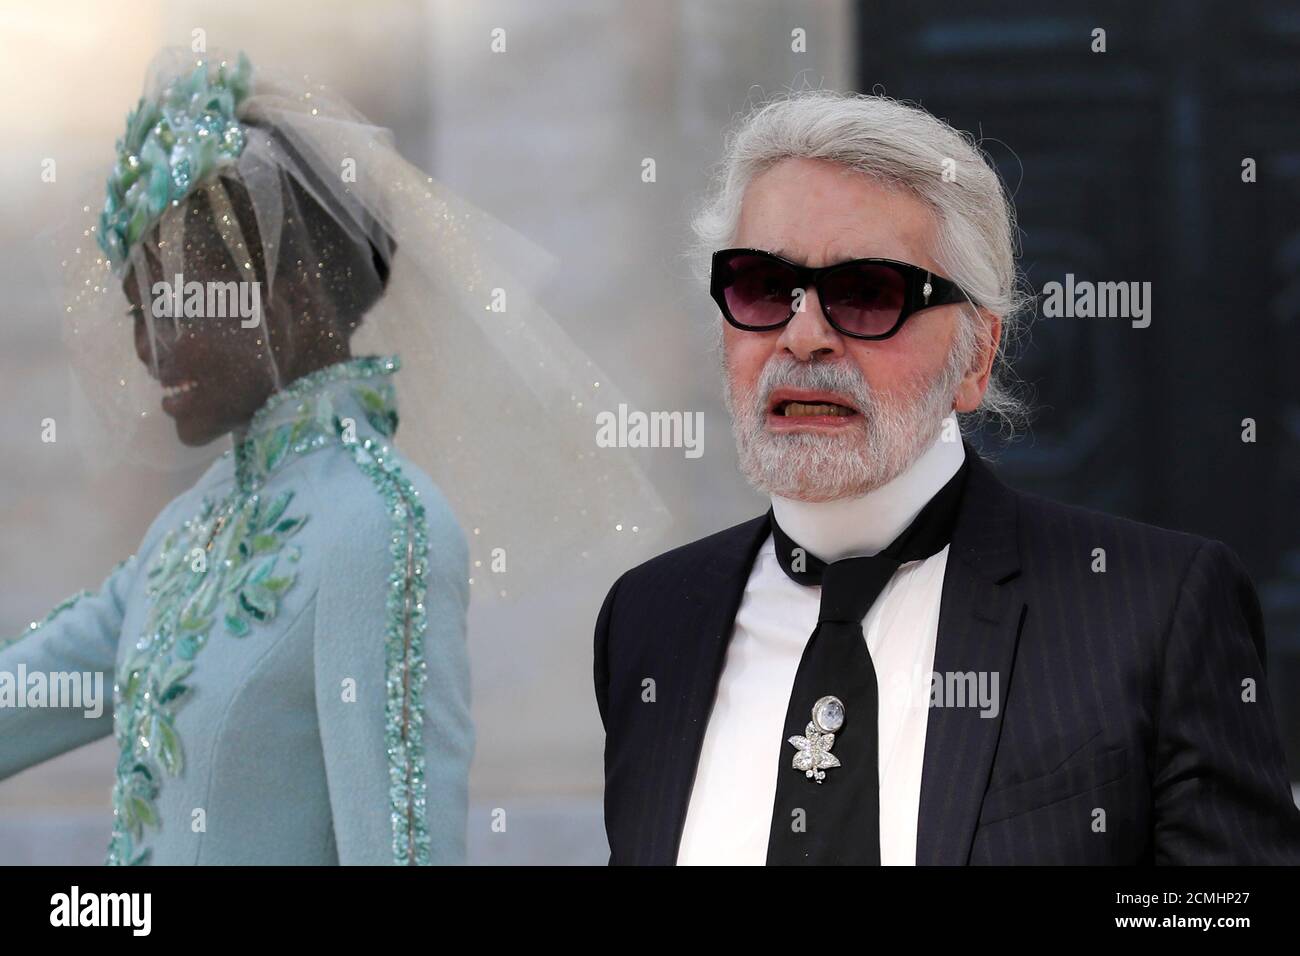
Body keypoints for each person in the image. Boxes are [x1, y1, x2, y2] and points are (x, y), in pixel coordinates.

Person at [594, 90, 1300, 865]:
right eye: (763, 286)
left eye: (867, 295)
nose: (803, 338)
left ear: (976, 357)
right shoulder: (651, 620)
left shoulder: (1155, 609)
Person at [1, 48, 663, 865]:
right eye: (137, 311)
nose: (145, 348)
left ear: (283, 297)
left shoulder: (377, 527)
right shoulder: (185, 535)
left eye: (172, 302)